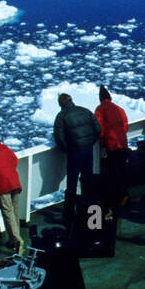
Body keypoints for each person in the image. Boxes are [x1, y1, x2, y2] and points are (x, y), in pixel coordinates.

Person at [53, 92, 101, 220]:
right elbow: (98, 128)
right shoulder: (85, 111)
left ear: (60, 104)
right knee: (87, 179)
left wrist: (67, 149)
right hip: (88, 150)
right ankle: (88, 209)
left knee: (72, 181)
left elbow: (59, 137)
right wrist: (90, 142)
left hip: (75, 152)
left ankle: (69, 212)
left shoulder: (61, 116)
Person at [94, 86, 130, 204]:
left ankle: (119, 197)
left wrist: (103, 140)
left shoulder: (100, 109)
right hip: (122, 142)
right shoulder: (119, 108)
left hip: (112, 144)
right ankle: (123, 195)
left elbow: (99, 128)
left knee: (114, 172)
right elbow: (125, 126)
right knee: (122, 169)